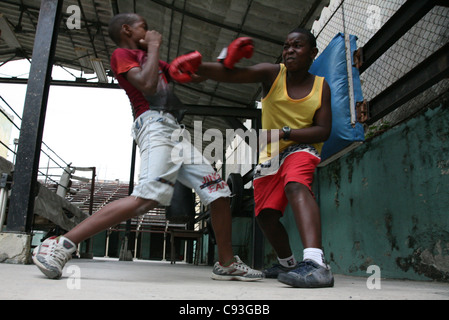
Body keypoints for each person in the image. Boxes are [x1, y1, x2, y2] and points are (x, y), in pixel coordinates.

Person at [32, 13, 263, 282]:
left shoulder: (152, 61)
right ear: (128, 30)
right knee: (147, 198)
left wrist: (226, 59)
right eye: (144, 26)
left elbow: (192, 76)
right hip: (153, 125)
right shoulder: (122, 54)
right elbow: (147, 84)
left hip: (175, 132)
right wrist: (152, 47)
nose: (151, 30)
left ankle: (226, 262)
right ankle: (60, 245)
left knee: (218, 192)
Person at [169, 28, 334, 288]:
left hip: (302, 147)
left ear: (313, 53)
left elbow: (323, 130)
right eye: (286, 45)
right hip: (270, 156)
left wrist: (284, 132)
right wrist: (198, 66)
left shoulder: (321, 86)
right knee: (266, 215)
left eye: (298, 46)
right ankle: (287, 263)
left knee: (295, 185)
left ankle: (316, 263)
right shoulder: (272, 73)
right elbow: (233, 75)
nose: (290, 50)